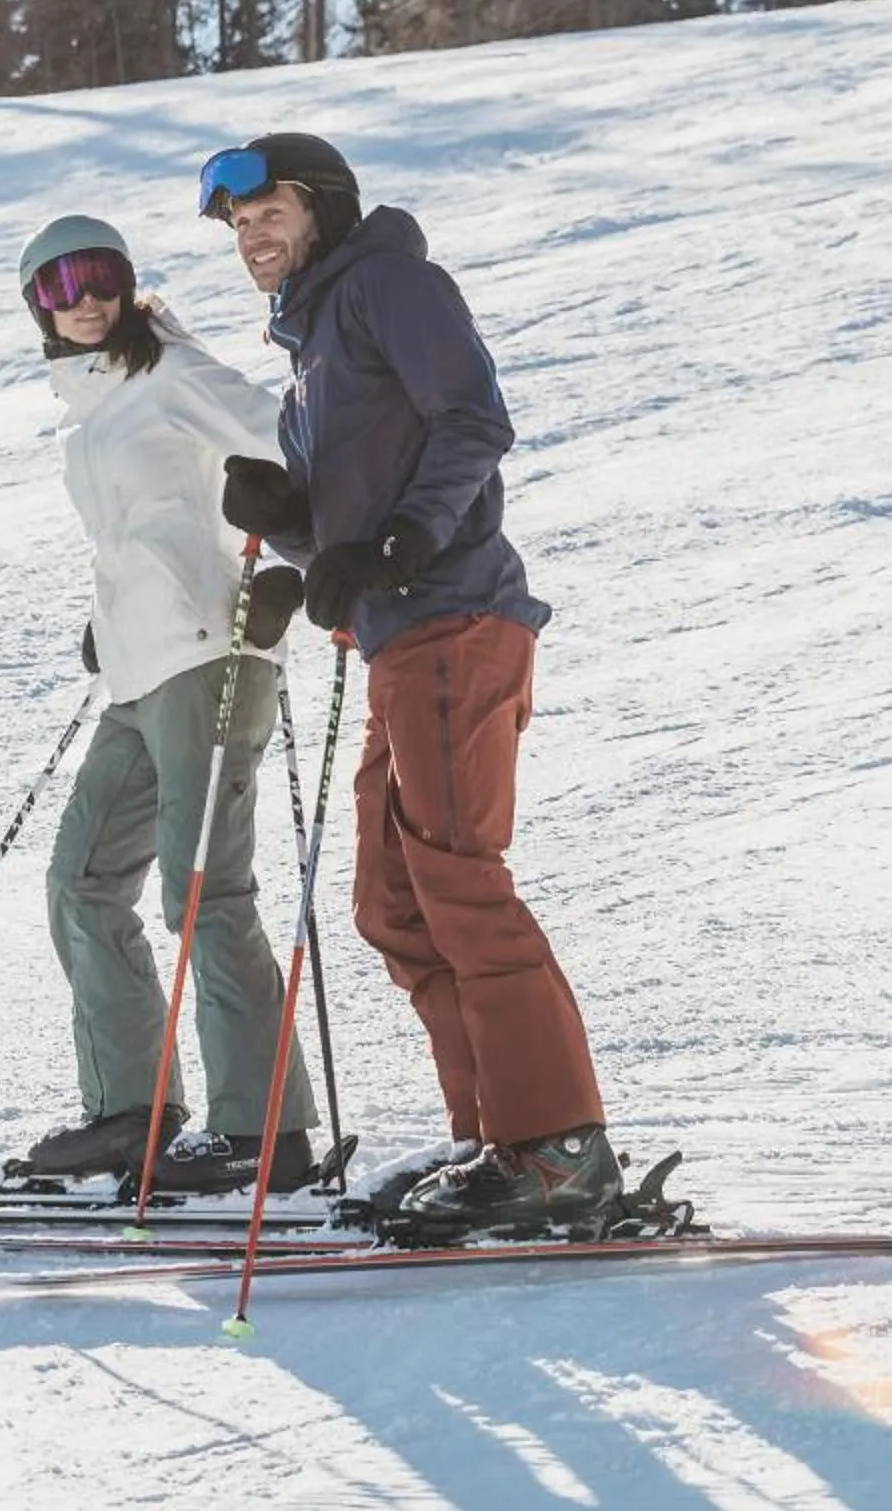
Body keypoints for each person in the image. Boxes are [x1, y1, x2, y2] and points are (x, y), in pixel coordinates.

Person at [201, 134, 618, 1238]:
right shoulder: (312, 353)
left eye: (270, 213)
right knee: (393, 899)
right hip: (398, 640)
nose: (253, 238)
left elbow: (474, 420)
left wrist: (393, 543)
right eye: (240, 227)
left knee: (457, 878)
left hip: (455, 617)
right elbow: (347, 534)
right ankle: (493, 1140)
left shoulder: (390, 284)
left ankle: (559, 1149)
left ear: (325, 207)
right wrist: (292, 525)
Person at [10, 214, 324, 1195]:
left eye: (101, 275)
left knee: (203, 893)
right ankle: (131, 1112)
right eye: (63, 285)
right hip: (137, 675)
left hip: (211, 654)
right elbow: (142, 529)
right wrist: (111, 618)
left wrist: (296, 561)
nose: (87, 297)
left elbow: (289, 441)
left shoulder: (171, 372)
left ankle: (261, 1132)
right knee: (81, 882)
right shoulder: (86, 411)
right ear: (41, 308)